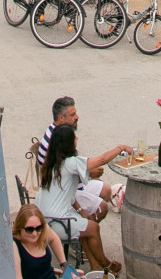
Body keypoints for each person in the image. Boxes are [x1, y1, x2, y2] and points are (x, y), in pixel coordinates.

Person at [37, 123, 129, 274]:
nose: (77, 138)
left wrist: (81, 211)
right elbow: (102, 159)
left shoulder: (52, 163)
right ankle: (106, 263)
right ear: (68, 143)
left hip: (45, 219)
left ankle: (96, 266)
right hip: (56, 222)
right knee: (93, 228)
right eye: (74, 137)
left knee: (86, 225)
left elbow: (67, 194)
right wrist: (121, 148)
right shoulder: (70, 163)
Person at [37, 96, 123, 224]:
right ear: (62, 118)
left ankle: (84, 230)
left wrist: (86, 174)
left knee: (106, 190)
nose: (77, 117)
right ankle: (84, 233)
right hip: (61, 190)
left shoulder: (56, 132)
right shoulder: (57, 140)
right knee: (102, 208)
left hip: (66, 181)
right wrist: (88, 174)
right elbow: (62, 174)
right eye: (73, 115)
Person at [13, 204, 66, 279]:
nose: (34, 234)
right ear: (20, 227)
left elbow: (54, 239)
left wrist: (63, 263)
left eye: (38, 228)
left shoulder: (43, 230)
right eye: (29, 230)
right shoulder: (14, 244)